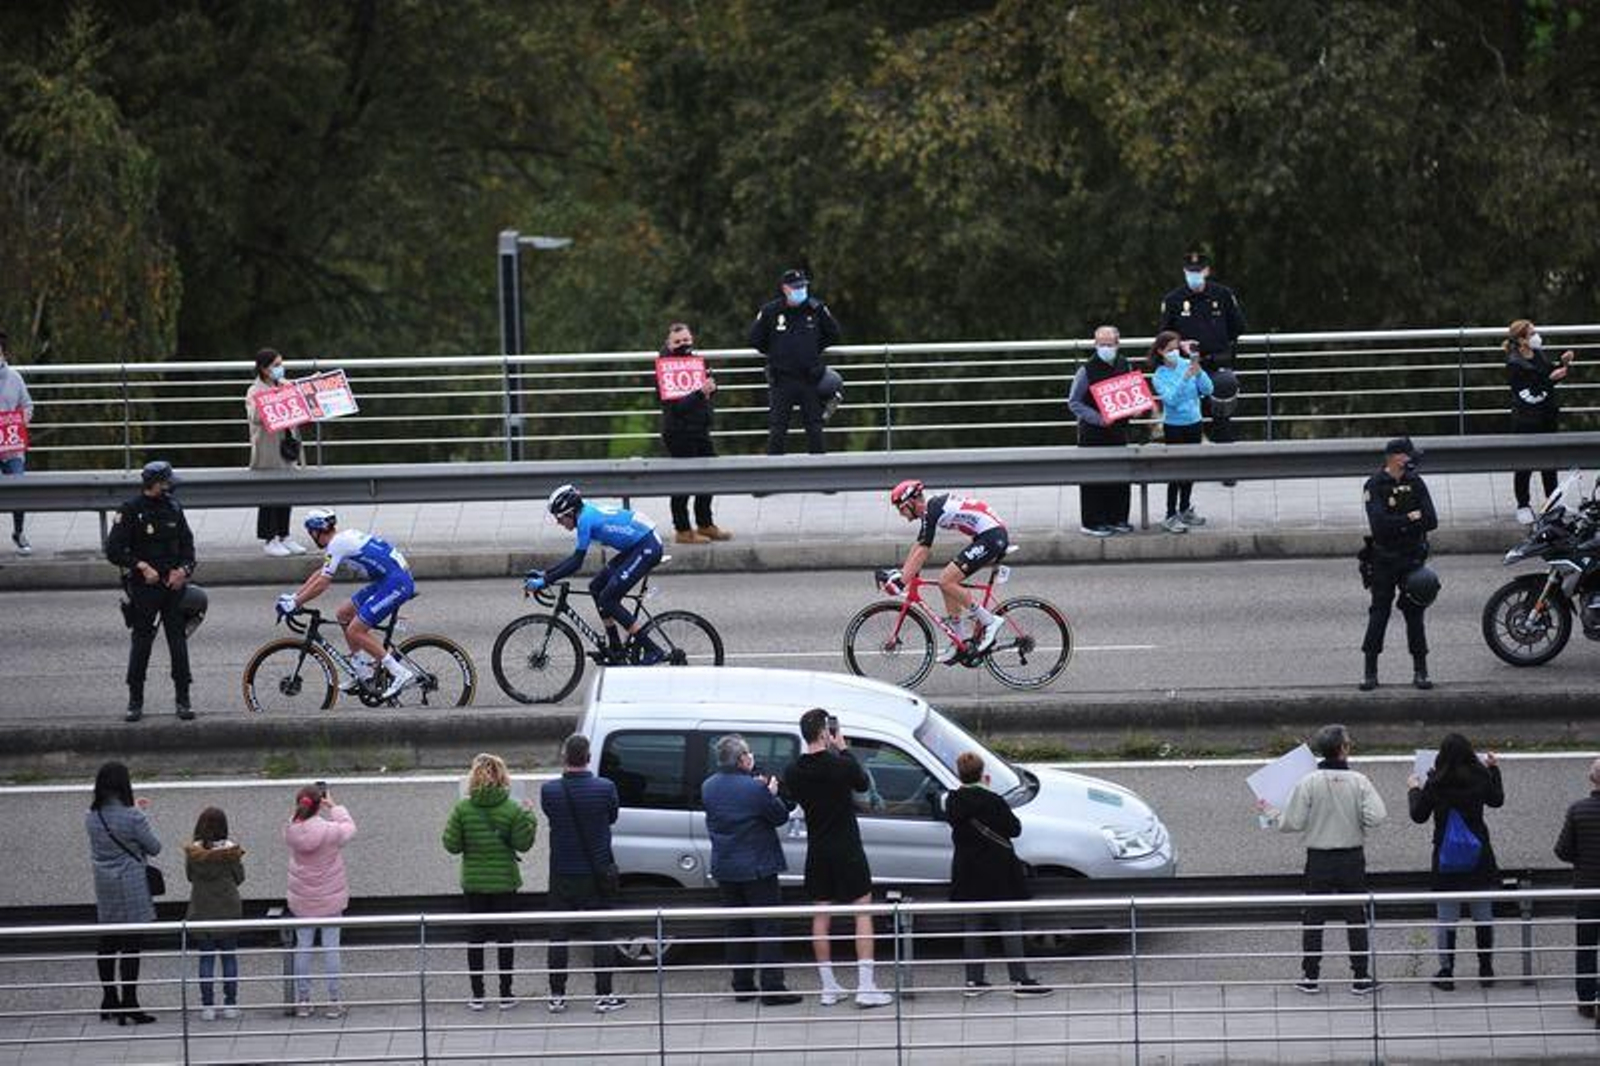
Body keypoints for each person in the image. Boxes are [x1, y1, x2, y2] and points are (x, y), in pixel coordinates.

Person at [784, 708, 892, 1008]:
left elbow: (792, 795)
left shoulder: (793, 770)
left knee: (820, 916)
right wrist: (843, 747)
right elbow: (861, 784)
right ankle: (866, 986)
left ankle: (829, 987)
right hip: (846, 846)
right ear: (824, 732)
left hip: (817, 848)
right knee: (862, 912)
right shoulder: (840, 765)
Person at [1267, 724, 1386, 996]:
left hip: (1318, 859)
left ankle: (1311, 977)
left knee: (1313, 918)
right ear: (1343, 749)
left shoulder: (1308, 782)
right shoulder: (1359, 781)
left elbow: (1292, 822)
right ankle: (1360, 977)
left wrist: (1273, 812)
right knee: (1355, 917)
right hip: (1351, 858)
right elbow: (1377, 817)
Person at [702, 734, 802, 1006]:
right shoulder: (754, 789)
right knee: (767, 926)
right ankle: (772, 987)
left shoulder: (708, 786)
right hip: (757, 867)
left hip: (725, 866)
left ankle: (742, 984)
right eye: (749, 754)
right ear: (742, 759)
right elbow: (779, 817)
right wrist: (770, 793)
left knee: (736, 926)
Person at [945, 751, 1051, 998]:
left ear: (959, 773)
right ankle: (1020, 981)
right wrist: (988, 792)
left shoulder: (953, 802)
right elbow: (1014, 830)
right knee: (1010, 924)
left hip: (967, 871)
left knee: (972, 926)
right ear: (983, 774)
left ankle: (974, 982)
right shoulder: (993, 801)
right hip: (999, 871)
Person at [279, 509, 416, 699]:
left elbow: (323, 584)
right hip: (387, 580)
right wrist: (294, 598)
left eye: (310, 532)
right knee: (343, 614)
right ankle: (362, 671)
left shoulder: (337, 544)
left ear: (315, 531)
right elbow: (321, 573)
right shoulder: (340, 541)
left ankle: (400, 672)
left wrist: (296, 603)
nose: (311, 537)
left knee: (355, 630)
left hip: (396, 583)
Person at [526, 485, 666, 665]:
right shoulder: (583, 513)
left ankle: (653, 649)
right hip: (636, 545)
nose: (558, 523)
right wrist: (546, 574)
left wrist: (545, 580)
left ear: (570, 512)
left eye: (559, 518)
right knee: (596, 587)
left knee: (609, 599)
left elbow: (576, 563)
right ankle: (615, 645)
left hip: (647, 546)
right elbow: (573, 560)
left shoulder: (585, 520)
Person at [1407, 734, 1503, 991]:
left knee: (1446, 918)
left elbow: (1418, 816)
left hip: (1446, 858)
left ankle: (1447, 972)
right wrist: (1494, 769)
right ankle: (1486, 969)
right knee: (1483, 915)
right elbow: (1497, 800)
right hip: (1479, 857)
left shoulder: (1436, 782)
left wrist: (1414, 789)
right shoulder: (1480, 777)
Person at [442, 753, 537, 1011]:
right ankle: (506, 995)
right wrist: (530, 817)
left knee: (476, 937)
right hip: (505, 881)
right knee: (505, 937)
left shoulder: (463, 808)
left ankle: (477, 995)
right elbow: (523, 844)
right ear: (502, 777)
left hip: (473, 882)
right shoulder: (513, 808)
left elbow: (451, 845)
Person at [105, 460, 197, 722]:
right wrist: (141, 566)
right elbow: (113, 550)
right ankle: (135, 701)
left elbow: (189, 548)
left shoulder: (174, 508)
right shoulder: (131, 510)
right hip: (145, 589)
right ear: (156, 484)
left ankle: (183, 699)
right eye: (166, 481)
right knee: (141, 643)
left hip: (172, 586)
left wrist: (184, 570)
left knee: (177, 643)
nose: (170, 486)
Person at [541, 734, 626, 1014]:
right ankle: (603, 995)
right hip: (597, 871)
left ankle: (557, 995)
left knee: (558, 935)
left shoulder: (550, 791)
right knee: (601, 933)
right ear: (588, 757)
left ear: (565, 758)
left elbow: (552, 817)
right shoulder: (605, 788)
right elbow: (612, 817)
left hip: (562, 872)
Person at [886, 479, 1007, 663]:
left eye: (901, 508)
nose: (901, 514)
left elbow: (924, 550)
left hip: (992, 537)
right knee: (946, 583)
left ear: (911, 502)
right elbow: (918, 546)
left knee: (946, 580)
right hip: (985, 536)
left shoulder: (931, 509)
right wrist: (902, 575)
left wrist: (902, 582)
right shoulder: (931, 510)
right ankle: (959, 640)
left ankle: (990, 621)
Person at [1360, 437, 1439, 691]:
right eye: (1408, 455)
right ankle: (1370, 672)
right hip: (1384, 559)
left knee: (1415, 612)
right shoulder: (1374, 484)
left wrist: (1401, 522)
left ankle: (1420, 670)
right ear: (1395, 457)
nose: (1412, 460)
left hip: (1412, 557)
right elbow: (1379, 526)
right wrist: (1410, 518)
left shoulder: (1416, 482)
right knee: (1379, 612)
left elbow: (1431, 519)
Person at [87, 761, 161, 1025]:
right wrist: (141, 814)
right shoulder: (133, 817)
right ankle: (130, 1001)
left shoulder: (92, 816)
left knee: (107, 944)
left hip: (105, 887)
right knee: (131, 947)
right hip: (131, 886)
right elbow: (154, 847)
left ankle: (109, 998)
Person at [748, 267, 841, 456]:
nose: (801, 290)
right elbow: (755, 339)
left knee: (814, 428)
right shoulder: (771, 311)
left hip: (809, 378)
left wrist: (812, 349)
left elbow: (834, 335)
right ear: (785, 289)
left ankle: (820, 477)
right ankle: (773, 478)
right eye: (796, 287)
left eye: (803, 286)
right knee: (778, 429)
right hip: (782, 379)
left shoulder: (816, 309)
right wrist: (777, 352)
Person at [1158, 250, 1246, 448]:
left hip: (1217, 364)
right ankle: (1187, 467)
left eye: (1198, 271)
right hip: (1187, 367)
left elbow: (1238, 328)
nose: (1194, 275)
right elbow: (1164, 335)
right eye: (1190, 271)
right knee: (1186, 415)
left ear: (1206, 271)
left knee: (1222, 415)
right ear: (1184, 272)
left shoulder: (1223, 295)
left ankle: (1225, 465)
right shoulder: (1173, 299)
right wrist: (1180, 344)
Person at [283, 783, 356, 1019]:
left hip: (302, 900)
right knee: (331, 947)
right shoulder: (330, 831)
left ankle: (303, 1001)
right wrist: (334, 806)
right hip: (330, 899)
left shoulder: (291, 830)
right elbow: (350, 828)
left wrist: (304, 807)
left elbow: (295, 820)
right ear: (319, 805)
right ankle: (334, 1001)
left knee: (303, 947)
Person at [657, 322, 731, 545]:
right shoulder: (665, 368)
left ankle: (705, 523)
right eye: (678, 341)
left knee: (709, 477)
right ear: (669, 344)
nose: (683, 344)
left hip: (700, 429)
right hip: (679, 432)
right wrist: (700, 393)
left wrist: (712, 388)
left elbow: (707, 389)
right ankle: (682, 529)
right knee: (684, 481)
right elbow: (676, 407)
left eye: (686, 340)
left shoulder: (696, 361)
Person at [1504, 320, 1576, 524]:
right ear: (1521, 340)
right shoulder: (1514, 363)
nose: (1536, 337)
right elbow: (1529, 392)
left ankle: (1551, 503)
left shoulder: (1538, 354)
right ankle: (1523, 505)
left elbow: (1548, 373)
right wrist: (1551, 379)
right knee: (1524, 464)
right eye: (1531, 333)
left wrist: (1564, 364)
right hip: (1525, 420)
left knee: (1549, 463)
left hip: (1547, 416)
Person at [1066, 325, 1134, 537]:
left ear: (1118, 344)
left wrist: (1135, 409)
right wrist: (1098, 418)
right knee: (1094, 478)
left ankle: (1118, 518)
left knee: (1120, 476)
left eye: (1109, 344)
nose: (1105, 347)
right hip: (1093, 433)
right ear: (1095, 345)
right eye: (1101, 344)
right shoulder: (1086, 370)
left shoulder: (1126, 364)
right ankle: (1092, 522)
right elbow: (1074, 402)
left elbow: (1131, 394)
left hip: (1119, 431)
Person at [1149, 331, 1213, 533]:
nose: (1175, 352)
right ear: (1160, 352)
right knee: (1175, 471)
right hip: (1174, 426)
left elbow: (1208, 389)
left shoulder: (1188, 365)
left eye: (1177, 348)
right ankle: (1170, 514)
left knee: (1190, 469)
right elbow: (1171, 400)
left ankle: (1185, 508)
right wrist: (1185, 378)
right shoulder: (1159, 375)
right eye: (1170, 350)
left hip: (1194, 422)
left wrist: (1199, 370)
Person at [185, 806, 245, 1021]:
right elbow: (240, 878)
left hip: (202, 911)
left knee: (206, 959)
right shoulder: (231, 852)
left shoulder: (193, 853)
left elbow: (190, 877)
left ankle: (208, 1006)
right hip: (228, 910)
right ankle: (230, 1004)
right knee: (229, 957)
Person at [245, 348, 306, 557]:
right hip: (267, 451)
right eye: (276, 365)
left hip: (287, 448)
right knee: (269, 494)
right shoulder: (255, 390)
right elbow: (254, 417)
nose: (281, 368)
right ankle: (269, 539)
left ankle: (284, 535)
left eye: (282, 363)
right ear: (264, 368)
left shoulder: (286, 384)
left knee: (286, 492)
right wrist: (273, 397)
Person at [1555, 757, 1600, 1019]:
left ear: (1591, 779)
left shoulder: (1578, 810)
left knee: (1586, 946)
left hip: (1586, 889)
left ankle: (1586, 1000)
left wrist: (1581, 861)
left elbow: (1562, 850)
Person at [0, 328, 35, 555]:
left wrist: (21, 419)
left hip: (11, 448)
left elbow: (28, 405)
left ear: (4, 354)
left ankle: (19, 531)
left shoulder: (15, 378)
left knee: (18, 488)